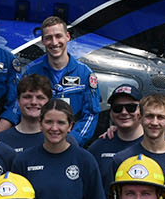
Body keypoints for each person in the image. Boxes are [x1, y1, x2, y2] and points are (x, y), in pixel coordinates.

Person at [8, 100, 105, 199]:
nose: (54, 128)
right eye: (48, 122)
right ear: (40, 124)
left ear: (70, 126)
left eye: (61, 122)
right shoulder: (23, 161)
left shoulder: (85, 160)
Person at [6, 15, 101, 144]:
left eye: (58, 36)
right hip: (36, 144)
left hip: (71, 146)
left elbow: (90, 114)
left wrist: (72, 141)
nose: (54, 42)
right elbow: (18, 109)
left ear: (67, 37)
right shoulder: (31, 73)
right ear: (43, 41)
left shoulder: (85, 74)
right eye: (49, 38)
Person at [0, 73, 50, 151]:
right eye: (28, 97)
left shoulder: (57, 140)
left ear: (49, 102)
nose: (33, 102)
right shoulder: (0, 141)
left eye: (40, 97)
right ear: (18, 101)